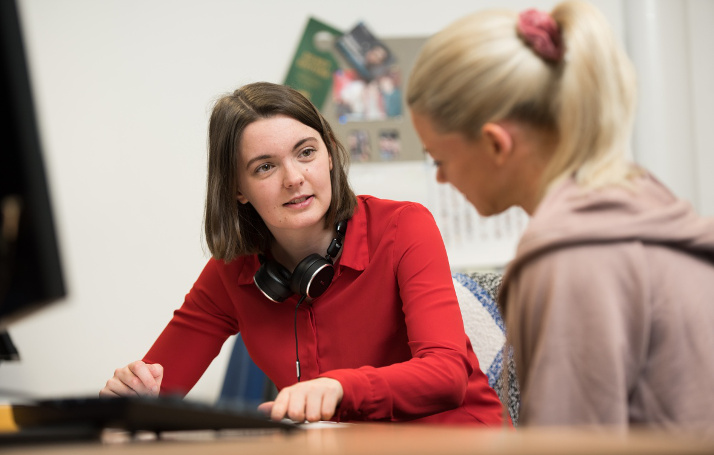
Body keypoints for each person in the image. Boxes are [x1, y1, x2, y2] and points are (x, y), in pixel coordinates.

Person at [100, 81, 506, 426]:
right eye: (264, 167)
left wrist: (340, 387)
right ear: (237, 189)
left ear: (329, 153)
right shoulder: (231, 273)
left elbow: (446, 373)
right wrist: (130, 397)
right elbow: (156, 392)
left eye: (306, 152)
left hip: (460, 453)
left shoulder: (404, 227)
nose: (294, 179)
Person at [407, 0, 714, 430]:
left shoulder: (568, 262)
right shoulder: (647, 205)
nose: (440, 179)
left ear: (496, 144)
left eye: (438, 159)